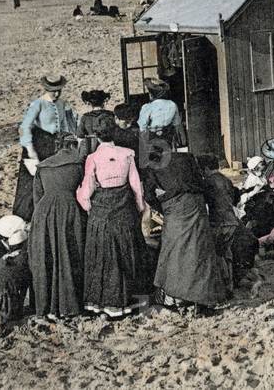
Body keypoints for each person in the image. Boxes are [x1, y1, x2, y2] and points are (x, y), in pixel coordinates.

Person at [77, 122, 149, 317]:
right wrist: (140, 207)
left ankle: (107, 303)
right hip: (125, 207)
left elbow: (88, 188)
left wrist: (87, 205)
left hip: (102, 210)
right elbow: (135, 184)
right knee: (129, 252)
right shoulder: (127, 153)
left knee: (104, 256)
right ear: (114, 135)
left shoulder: (93, 158)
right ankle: (131, 302)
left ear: (97, 137)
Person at [150, 153, 228, 309]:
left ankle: (176, 296)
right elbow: (202, 184)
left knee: (174, 251)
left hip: (174, 208)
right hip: (195, 205)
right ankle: (202, 296)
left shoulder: (152, 165)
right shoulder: (187, 157)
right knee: (198, 250)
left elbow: (148, 195)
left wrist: (164, 207)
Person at [28, 134, 87, 319]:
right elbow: (85, 192)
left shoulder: (43, 166)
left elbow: (37, 197)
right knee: (71, 254)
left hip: (44, 212)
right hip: (70, 209)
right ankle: (69, 305)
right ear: (72, 145)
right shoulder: (79, 162)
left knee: (48, 256)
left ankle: (47, 306)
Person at [15, 76, 78, 221]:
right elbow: (24, 128)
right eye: (52, 91)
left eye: (58, 91)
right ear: (46, 89)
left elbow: (66, 124)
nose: (56, 94)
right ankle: (26, 217)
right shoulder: (37, 104)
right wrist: (31, 152)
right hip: (37, 145)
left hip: (54, 144)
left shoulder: (63, 103)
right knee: (31, 184)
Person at [203, 167, 245, 291]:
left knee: (218, 254)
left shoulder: (209, 181)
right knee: (227, 253)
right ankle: (230, 285)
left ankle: (225, 286)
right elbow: (235, 198)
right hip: (232, 220)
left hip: (219, 222)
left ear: (204, 168)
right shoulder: (226, 179)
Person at [137, 79, 186, 149]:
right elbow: (177, 123)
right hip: (168, 136)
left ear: (151, 95)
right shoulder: (172, 104)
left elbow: (142, 127)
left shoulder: (147, 107)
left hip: (152, 137)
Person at [77, 90, 115, 156]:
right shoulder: (111, 115)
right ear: (103, 101)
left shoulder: (85, 117)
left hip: (92, 149)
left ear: (90, 103)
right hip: (110, 147)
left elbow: (80, 134)